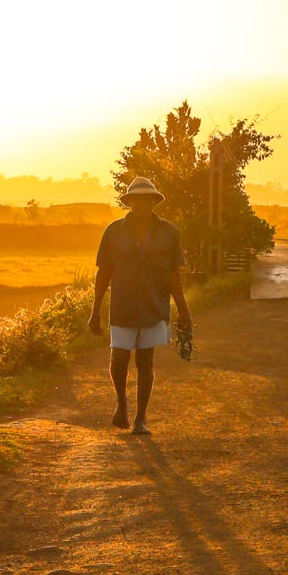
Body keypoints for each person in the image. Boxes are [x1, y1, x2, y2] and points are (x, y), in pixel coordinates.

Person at [88, 177, 192, 435]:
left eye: (148, 198)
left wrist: (183, 309)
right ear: (130, 202)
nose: (143, 203)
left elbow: (173, 275)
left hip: (154, 305)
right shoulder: (113, 231)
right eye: (137, 199)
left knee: (146, 362)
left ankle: (141, 418)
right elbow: (104, 273)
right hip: (123, 305)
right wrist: (94, 311)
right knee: (119, 357)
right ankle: (121, 401)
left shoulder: (170, 232)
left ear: (154, 201)